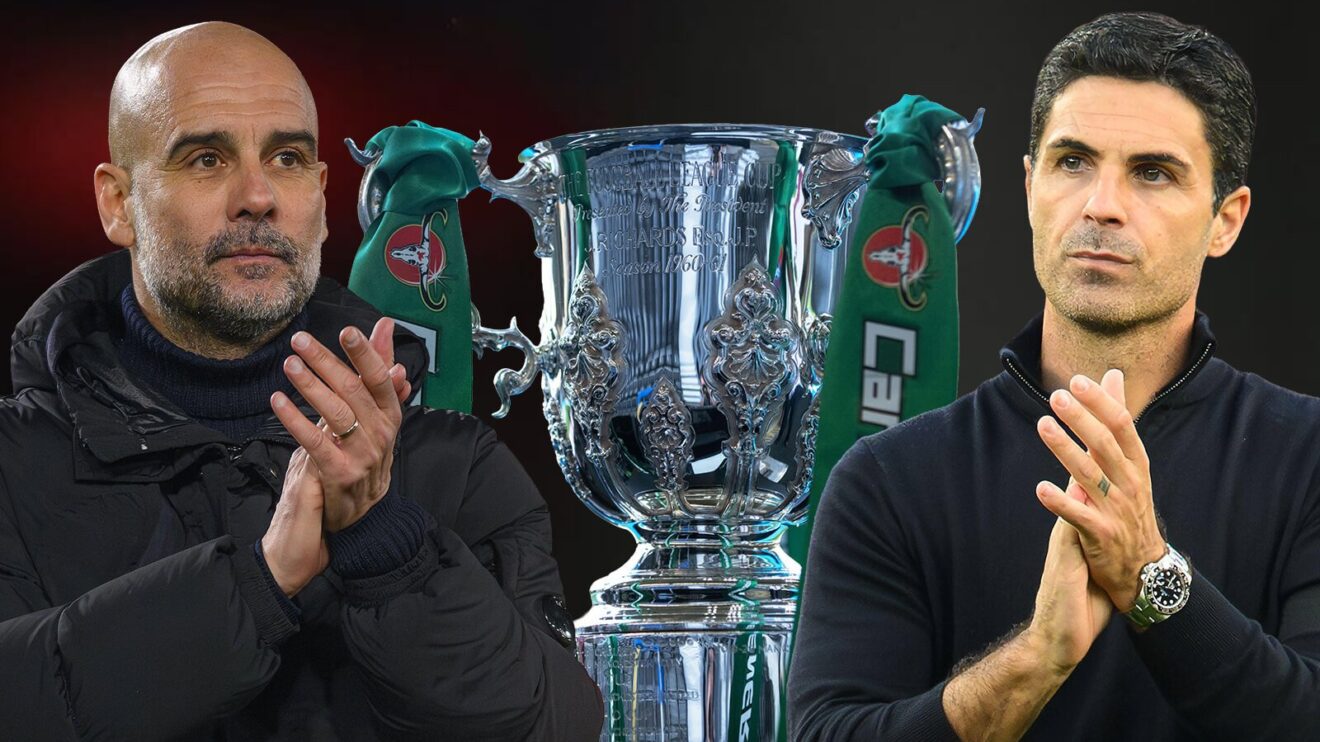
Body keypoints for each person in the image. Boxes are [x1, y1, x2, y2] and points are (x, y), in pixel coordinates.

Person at [0, 21, 602, 740]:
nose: (257, 197)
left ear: (319, 197)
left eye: (286, 158)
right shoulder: (12, 467)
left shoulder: (454, 462)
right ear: (117, 203)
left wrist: (387, 546)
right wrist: (256, 582)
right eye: (205, 159)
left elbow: (553, 726)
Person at [788, 11, 1320, 741]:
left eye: (1154, 173)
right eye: (1073, 161)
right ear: (1031, 185)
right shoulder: (887, 479)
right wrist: (1037, 660)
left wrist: (1151, 581)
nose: (1101, 205)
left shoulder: (1309, 457)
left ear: (1226, 220)